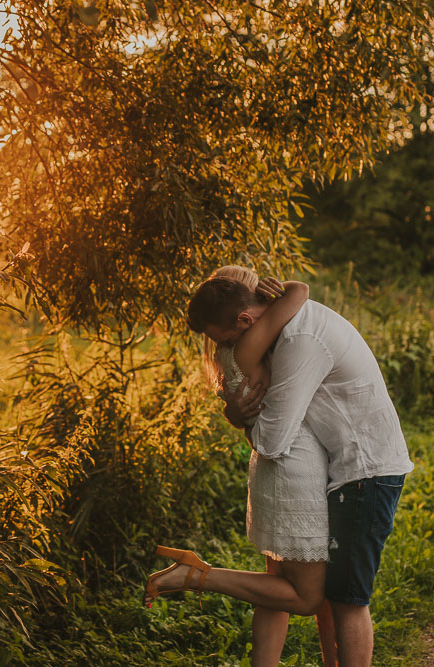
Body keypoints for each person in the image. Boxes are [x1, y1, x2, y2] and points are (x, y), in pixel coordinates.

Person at [150, 274, 414, 667]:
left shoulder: (298, 342)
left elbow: (272, 441)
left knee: (347, 601)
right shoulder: (283, 329)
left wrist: (238, 417)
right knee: (309, 594)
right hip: (337, 469)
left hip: (365, 472)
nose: (225, 347)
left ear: (244, 320)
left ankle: (198, 576)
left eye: (223, 338)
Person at [145, 267, 337, 667]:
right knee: (309, 597)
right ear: (247, 312)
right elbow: (299, 292)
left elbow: (251, 420)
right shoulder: (255, 342)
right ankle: (196, 575)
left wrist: (235, 415)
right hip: (294, 469)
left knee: (272, 589)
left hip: (267, 471)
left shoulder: (227, 354)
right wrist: (283, 293)